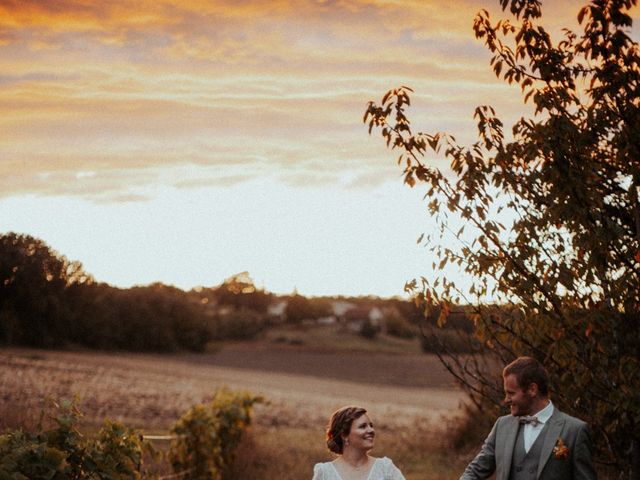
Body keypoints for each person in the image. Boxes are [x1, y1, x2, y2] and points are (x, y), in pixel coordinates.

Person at [460, 356, 597, 480]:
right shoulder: (502, 426)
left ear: (532, 389)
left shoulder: (575, 431)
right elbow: (475, 471)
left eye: (511, 393)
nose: (506, 400)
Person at [312, 405, 406, 480]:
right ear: (344, 435)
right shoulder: (325, 473)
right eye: (363, 426)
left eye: (371, 425)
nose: (371, 430)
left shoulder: (385, 469)